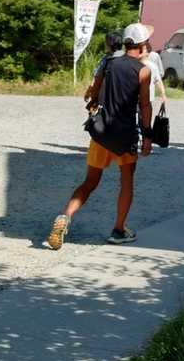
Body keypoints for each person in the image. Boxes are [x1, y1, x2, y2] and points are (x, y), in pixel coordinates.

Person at [46, 35, 152, 250]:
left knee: (89, 182)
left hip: (101, 132)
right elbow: (145, 105)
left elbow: (94, 91)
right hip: (124, 136)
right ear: (141, 45)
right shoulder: (143, 71)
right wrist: (148, 136)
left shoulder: (109, 63)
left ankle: (65, 216)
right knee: (126, 182)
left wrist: (95, 102)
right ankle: (118, 230)